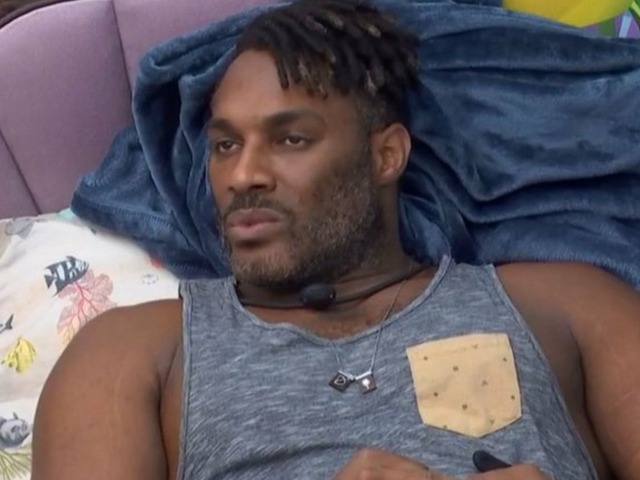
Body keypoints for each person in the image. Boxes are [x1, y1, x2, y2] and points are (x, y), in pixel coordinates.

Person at [31, 0, 640, 479]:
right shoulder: (134, 352)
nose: (243, 175)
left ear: (386, 155)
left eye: (290, 139)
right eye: (225, 145)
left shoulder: (565, 305)